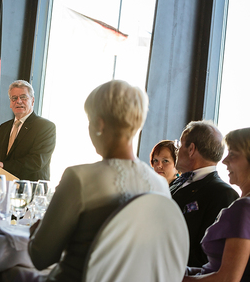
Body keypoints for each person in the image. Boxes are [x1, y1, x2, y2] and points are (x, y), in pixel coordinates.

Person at [26, 80, 170, 282]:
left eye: (89, 120)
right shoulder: (161, 186)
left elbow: (41, 257)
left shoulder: (79, 178)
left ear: (99, 124)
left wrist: (35, 232)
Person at [183, 127, 250, 281]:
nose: (224, 160)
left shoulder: (244, 208)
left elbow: (227, 279)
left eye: (232, 155)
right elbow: (215, 268)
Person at [171, 120, 239, 267]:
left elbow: (207, 254)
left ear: (191, 149)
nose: (176, 150)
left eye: (180, 144)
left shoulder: (223, 193)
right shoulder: (176, 183)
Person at [0, 80, 56, 181]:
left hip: (30, 189)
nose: (18, 101)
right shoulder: (4, 127)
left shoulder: (45, 127)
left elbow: (37, 161)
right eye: (14, 98)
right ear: (10, 103)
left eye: (23, 97)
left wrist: (4, 165)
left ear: (32, 100)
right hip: (1, 186)